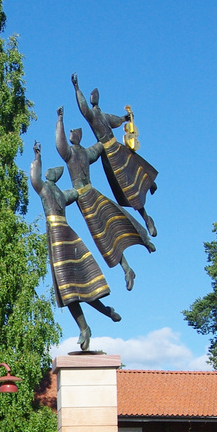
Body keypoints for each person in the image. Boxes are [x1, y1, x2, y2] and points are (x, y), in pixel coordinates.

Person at [30, 141, 120, 352]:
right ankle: (95, 320)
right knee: (72, 289)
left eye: (50, 171)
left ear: (52, 176)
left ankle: (94, 321)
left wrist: (37, 158)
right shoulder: (61, 193)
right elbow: (80, 190)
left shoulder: (48, 191)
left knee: (70, 289)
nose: (48, 172)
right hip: (65, 235)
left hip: (59, 238)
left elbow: (35, 177)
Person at [54, 109, 153, 290]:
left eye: (72, 133)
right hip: (84, 199)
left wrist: (119, 123)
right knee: (104, 238)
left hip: (90, 194)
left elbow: (102, 142)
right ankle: (127, 269)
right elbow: (60, 144)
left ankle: (144, 238)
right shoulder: (71, 154)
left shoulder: (86, 153)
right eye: (69, 134)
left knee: (117, 217)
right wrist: (60, 121)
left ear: (78, 136)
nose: (70, 136)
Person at [73, 74, 158, 237]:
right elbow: (83, 109)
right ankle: (147, 219)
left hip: (117, 148)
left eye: (94, 96)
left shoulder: (103, 115)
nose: (93, 99)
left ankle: (150, 184)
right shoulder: (92, 115)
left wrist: (127, 118)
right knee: (128, 189)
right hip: (109, 155)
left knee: (136, 165)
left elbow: (118, 120)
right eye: (91, 97)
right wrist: (77, 89)